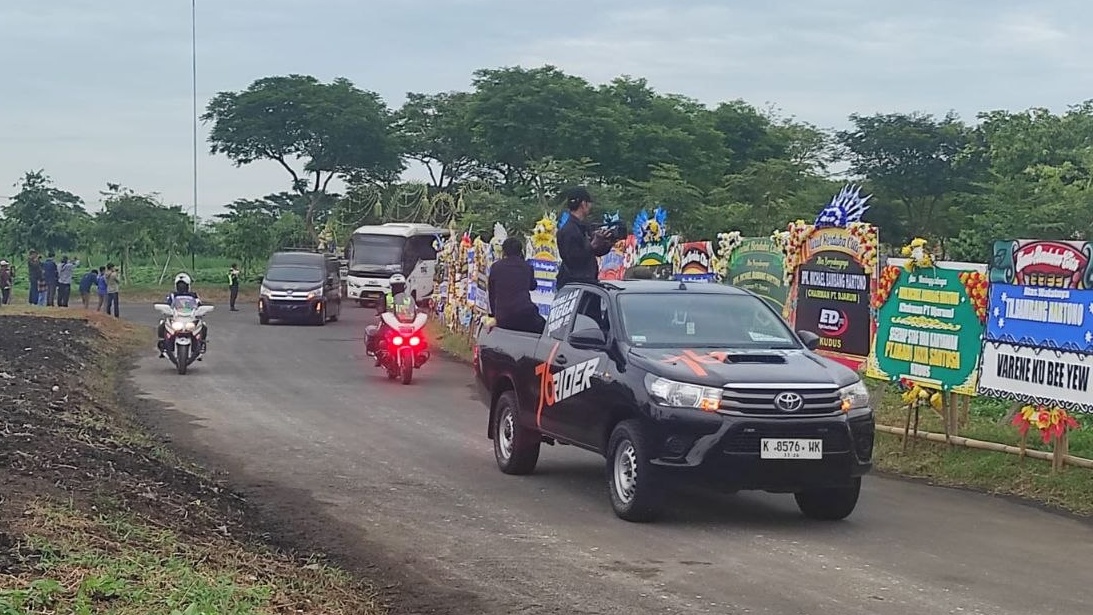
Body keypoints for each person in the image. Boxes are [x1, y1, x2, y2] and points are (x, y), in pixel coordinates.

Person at [555, 186, 612, 290]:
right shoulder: (569, 230)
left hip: (586, 283)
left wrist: (607, 241)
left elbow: (596, 252)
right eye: (589, 203)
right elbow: (574, 260)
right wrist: (592, 245)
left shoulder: (583, 227)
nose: (590, 206)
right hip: (575, 287)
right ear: (583, 204)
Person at [486, 237, 545, 334]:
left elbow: (491, 294)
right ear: (520, 251)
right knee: (544, 327)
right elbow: (533, 286)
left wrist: (494, 316)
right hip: (525, 313)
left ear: (504, 251)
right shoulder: (526, 267)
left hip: (503, 317)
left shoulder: (495, 267)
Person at [364, 274, 417, 364]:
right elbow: (380, 306)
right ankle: (379, 355)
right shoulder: (386, 297)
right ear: (391, 286)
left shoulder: (408, 298)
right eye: (395, 286)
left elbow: (415, 308)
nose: (397, 288)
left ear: (404, 286)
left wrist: (418, 313)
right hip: (388, 322)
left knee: (419, 335)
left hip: (405, 322)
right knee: (378, 335)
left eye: (400, 285)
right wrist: (381, 311)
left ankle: (417, 355)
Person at [157, 273, 205, 357]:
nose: (181, 287)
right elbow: (168, 304)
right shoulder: (172, 295)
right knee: (162, 324)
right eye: (179, 285)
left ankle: (200, 345)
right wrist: (166, 310)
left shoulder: (193, 295)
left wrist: (200, 311)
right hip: (176, 317)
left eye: (183, 285)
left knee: (202, 326)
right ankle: (163, 345)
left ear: (188, 285)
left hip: (190, 317)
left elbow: (199, 304)